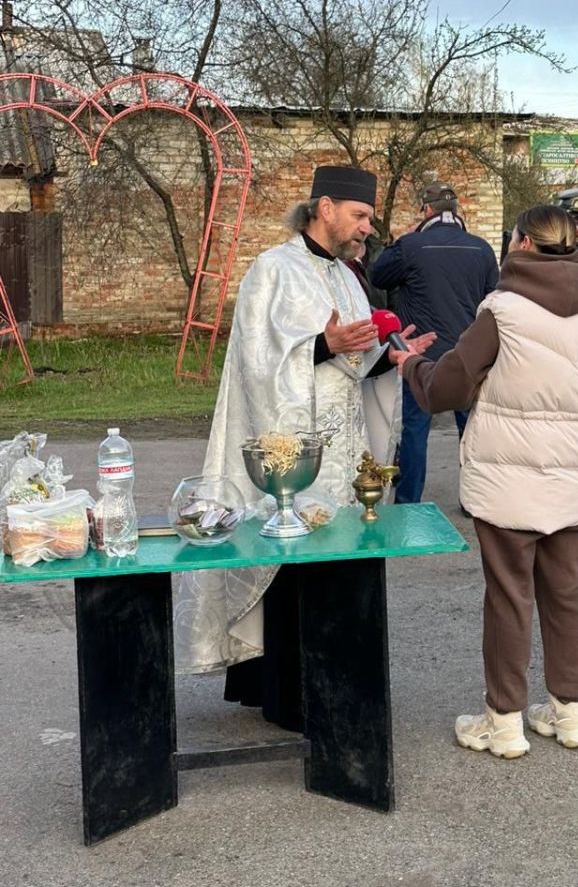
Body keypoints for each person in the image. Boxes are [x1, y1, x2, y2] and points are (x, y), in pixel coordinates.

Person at [174, 165, 435, 729]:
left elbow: (350, 359)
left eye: (368, 218)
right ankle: (288, 696)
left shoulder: (347, 276)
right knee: (291, 558)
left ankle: (331, 681)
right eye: (360, 216)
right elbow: (255, 358)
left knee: (336, 557)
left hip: (342, 447)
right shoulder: (272, 268)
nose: (368, 228)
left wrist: (384, 354)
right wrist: (321, 343)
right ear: (325, 208)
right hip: (288, 450)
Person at [392, 205, 578, 758]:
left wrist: (409, 367)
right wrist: (570, 424)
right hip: (572, 478)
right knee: (571, 598)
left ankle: (504, 724)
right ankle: (570, 716)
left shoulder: (503, 312)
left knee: (509, 598)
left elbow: (450, 386)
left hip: (506, 479)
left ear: (521, 244)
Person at [370, 180, 498, 507]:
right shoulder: (482, 249)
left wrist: (403, 241)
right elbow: (492, 300)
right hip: (469, 355)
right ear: (456, 211)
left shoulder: (413, 245)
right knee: (473, 430)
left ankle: (409, 501)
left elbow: (378, 276)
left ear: (426, 210)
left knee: (415, 428)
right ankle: (477, 500)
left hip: (422, 355)